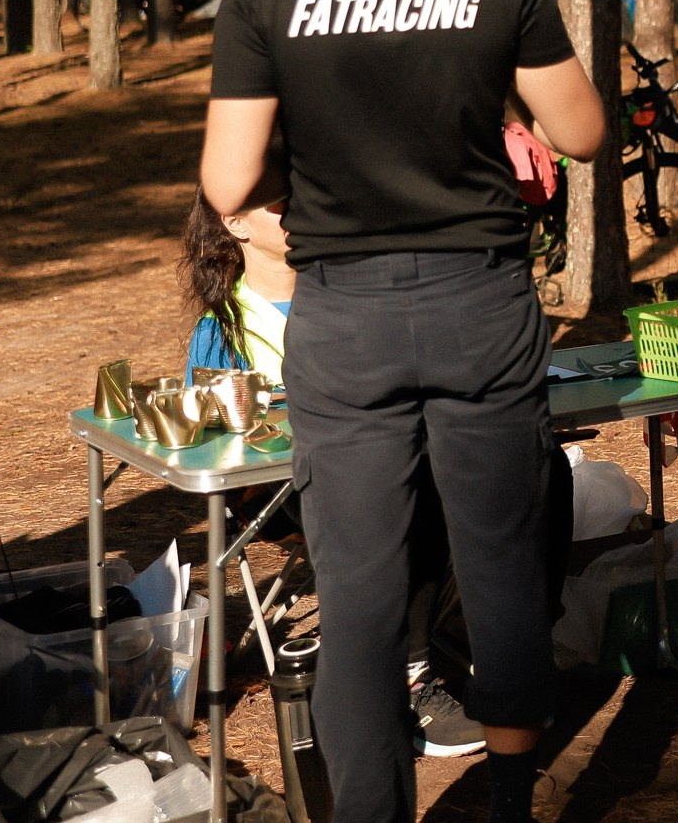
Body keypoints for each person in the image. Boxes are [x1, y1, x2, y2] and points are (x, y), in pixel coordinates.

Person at [199, 0, 607, 823]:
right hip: (480, 307)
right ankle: (509, 797)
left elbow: (227, 181)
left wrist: (296, 192)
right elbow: (583, 130)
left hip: (344, 319)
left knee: (360, 598)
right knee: (502, 565)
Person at [177, 186, 487, 761]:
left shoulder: (357, 299)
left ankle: (498, 650)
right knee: (406, 494)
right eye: (278, 204)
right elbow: (217, 454)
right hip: (281, 490)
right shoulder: (223, 331)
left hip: (383, 460)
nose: (298, 209)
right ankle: (406, 682)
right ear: (235, 223)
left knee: (536, 472)